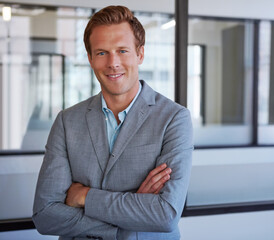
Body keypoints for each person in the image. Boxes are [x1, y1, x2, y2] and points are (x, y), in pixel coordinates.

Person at [32, 5, 193, 240]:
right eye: (101, 53)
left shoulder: (174, 119)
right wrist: (129, 219)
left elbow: (165, 214)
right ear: (89, 58)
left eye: (122, 51)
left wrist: (84, 197)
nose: (113, 63)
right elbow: (45, 215)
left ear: (140, 54)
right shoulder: (68, 121)